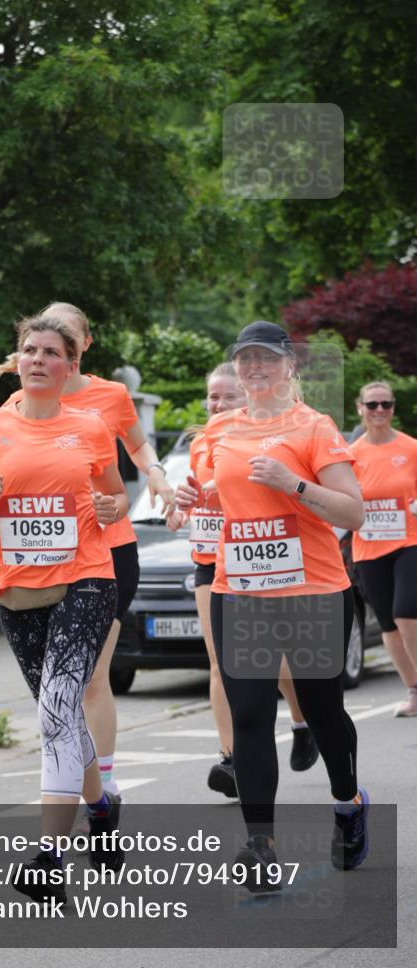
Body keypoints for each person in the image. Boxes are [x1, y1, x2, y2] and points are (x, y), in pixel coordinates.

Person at [0, 315, 129, 905]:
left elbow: (119, 498)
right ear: (16, 360)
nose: (40, 359)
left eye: (52, 352)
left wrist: (109, 506)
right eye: (30, 350)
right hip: (19, 589)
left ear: (71, 366)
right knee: (63, 717)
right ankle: (100, 807)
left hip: (88, 580)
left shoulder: (92, 426)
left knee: (56, 707)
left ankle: (48, 859)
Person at [176, 321, 368, 891]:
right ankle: (261, 845)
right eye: (245, 360)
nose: (254, 369)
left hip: (312, 590)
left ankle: (349, 802)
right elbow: (221, 491)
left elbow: (353, 514)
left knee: (323, 711)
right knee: (252, 715)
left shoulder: (316, 427)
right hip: (242, 591)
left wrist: (295, 484)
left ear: (290, 367)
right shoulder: (219, 429)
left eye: (266, 359)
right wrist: (198, 496)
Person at [3, 301, 175, 799]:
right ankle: (85, 786)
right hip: (42, 563)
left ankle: (105, 784)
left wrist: (157, 476)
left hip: (106, 553)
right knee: (58, 689)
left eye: (64, 339)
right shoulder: (18, 403)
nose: (51, 350)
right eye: (38, 342)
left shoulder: (111, 396)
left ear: (80, 348)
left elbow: (139, 449)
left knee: (93, 675)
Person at [171, 363, 318, 801]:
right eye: (211, 396)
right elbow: (198, 495)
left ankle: (302, 720)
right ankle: (232, 756)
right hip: (210, 559)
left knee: (274, 662)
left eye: (227, 397)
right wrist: (181, 510)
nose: (217, 404)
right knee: (220, 661)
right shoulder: (200, 441)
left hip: (260, 557)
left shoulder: (264, 436)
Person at [350, 381, 417, 716]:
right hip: (368, 548)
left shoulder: (411, 448)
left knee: (407, 611)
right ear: (360, 407)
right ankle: (413, 691)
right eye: (372, 404)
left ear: (393, 409)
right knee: (389, 623)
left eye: (386, 405)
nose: (379, 411)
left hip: (409, 542)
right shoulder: (351, 455)